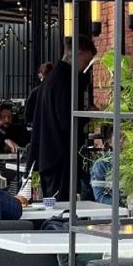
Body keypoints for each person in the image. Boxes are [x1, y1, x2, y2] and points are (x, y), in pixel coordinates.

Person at [29, 35, 97, 201]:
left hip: (48, 155)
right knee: (60, 208)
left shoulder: (51, 79)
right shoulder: (64, 82)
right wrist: (89, 115)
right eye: (86, 61)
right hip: (59, 156)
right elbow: (67, 121)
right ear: (78, 54)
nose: (85, 67)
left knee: (53, 204)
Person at [24, 62, 53, 127]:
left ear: (40, 75)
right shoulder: (57, 91)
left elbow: (28, 116)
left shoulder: (35, 92)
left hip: (38, 126)